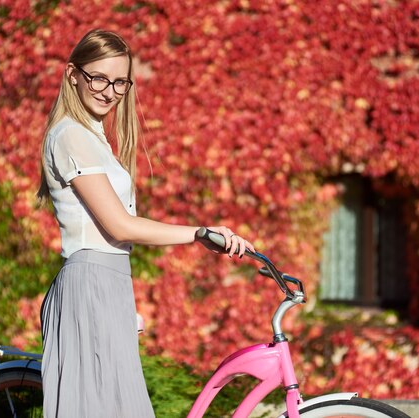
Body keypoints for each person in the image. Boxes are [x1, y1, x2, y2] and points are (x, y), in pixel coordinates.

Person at [37, 29, 254, 417]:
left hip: (110, 284)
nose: (109, 91)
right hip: (91, 285)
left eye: (120, 82)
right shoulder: (71, 135)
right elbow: (120, 227)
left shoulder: (93, 135)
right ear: (73, 74)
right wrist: (198, 234)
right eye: (99, 78)